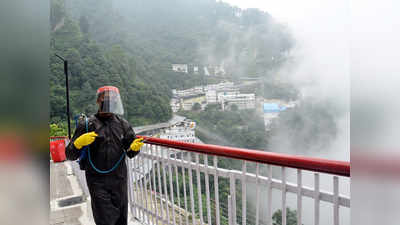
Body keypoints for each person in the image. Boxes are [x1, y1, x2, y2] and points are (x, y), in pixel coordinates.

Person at [66, 85, 144, 225]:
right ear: (98, 101)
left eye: (113, 99)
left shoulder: (123, 124)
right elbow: (70, 154)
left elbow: (130, 153)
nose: (110, 101)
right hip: (97, 182)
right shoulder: (87, 125)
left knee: (121, 219)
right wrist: (78, 144)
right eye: (106, 98)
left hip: (119, 181)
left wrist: (134, 148)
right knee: (105, 220)